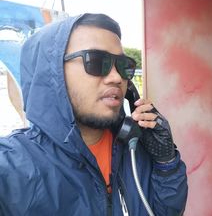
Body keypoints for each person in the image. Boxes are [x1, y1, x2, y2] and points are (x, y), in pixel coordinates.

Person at [0, 13, 188, 215]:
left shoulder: (133, 151)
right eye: (96, 61)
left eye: (123, 66)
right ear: (52, 74)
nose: (116, 77)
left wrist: (165, 163)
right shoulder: (13, 166)